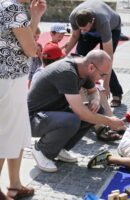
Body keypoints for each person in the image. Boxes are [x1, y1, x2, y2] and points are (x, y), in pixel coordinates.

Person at [28, 49, 125, 173]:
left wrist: (95, 100)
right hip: (32, 120)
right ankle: (42, 149)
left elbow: (93, 91)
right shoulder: (67, 72)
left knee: (97, 110)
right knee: (73, 119)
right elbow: (80, 112)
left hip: (50, 115)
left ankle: (59, 148)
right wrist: (109, 121)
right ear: (91, 67)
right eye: (102, 75)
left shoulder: (83, 67)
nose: (102, 79)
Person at [0, 0, 46, 199]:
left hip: (11, 79)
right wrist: (33, 19)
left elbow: (25, 40)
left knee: (16, 132)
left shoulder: (5, 4)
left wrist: (35, 17)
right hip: (8, 80)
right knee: (5, 134)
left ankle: (15, 184)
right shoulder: (13, 8)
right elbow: (30, 49)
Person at [64, 0, 124, 107]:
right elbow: (74, 37)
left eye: (85, 28)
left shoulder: (102, 21)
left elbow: (108, 56)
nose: (84, 31)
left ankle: (117, 93)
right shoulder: (74, 17)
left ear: (92, 21)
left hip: (113, 28)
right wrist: (62, 54)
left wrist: (106, 84)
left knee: (102, 61)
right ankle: (84, 91)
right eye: (81, 29)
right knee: (80, 59)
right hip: (92, 32)